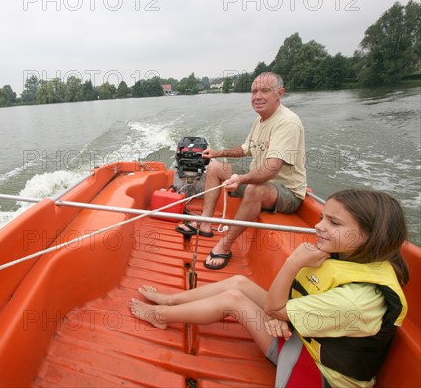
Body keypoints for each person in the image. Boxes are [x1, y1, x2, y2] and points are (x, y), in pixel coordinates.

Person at [131, 189, 409, 387]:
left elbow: (274, 308)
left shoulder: (358, 300)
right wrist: (280, 318)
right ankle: (170, 301)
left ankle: (160, 316)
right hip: (304, 333)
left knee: (233, 300)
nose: (318, 226)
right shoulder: (348, 254)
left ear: (371, 237)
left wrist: (293, 265)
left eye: (333, 223)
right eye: (323, 217)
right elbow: (284, 306)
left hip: (318, 373)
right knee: (239, 282)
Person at [176, 72, 306, 269]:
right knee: (214, 167)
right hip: (261, 183)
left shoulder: (287, 122)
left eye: (265, 91)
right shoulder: (260, 121)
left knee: (255, 189)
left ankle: (225, 245)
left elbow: (272, 167)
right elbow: (245, 149)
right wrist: (217, 153)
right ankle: (205, 223)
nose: (258, 96)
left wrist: (242, 178)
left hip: (287, 192)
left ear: (280, 94)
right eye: (254, 91)